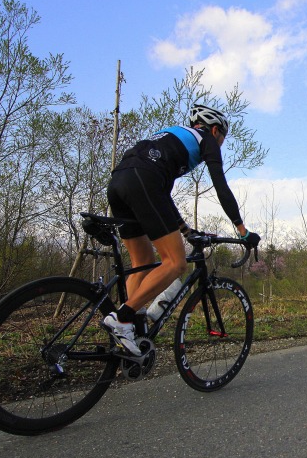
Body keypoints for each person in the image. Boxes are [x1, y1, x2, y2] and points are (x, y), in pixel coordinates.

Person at [103, 104, 260, 356]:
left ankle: (134, 328)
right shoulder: (206, 139)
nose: (219, 144)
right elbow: (221, 187)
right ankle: (122, 319)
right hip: (144, 180)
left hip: (119, 182)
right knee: (175, 263)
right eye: (222, 139)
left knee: (142, 262)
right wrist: (243, 231)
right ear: (215, 129)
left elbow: (161, 195)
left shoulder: (171, 136)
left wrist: (186, 230)